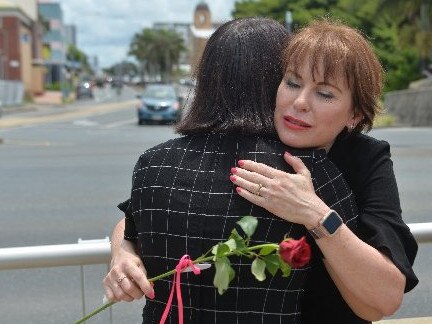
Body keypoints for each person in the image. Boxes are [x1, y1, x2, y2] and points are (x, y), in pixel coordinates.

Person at [102, 17, 359, 323]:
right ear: (277, 79)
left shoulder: (152, 165)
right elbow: (360, 275)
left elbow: (132, 224)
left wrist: (121, 251)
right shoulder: (303, 170)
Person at [230, 19, 418, 323]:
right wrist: (125, 250)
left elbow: (385, 298)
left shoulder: (366, 157)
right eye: (292, 83)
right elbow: (139, 210)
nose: (300, 102)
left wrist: (313, 213)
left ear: (355, 114)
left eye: (325, 94)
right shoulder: (247, 139)